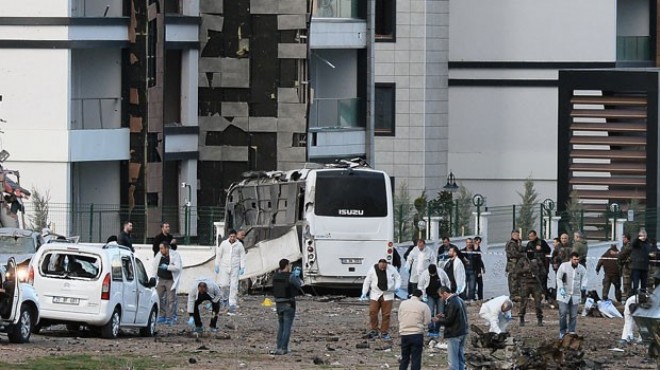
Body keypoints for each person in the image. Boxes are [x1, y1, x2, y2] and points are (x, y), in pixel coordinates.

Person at [360, 258, 401, 340]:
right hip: (375, 293)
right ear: (378, 265)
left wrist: (397, 286)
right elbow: (367, 280)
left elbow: (398, 277)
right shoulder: (372, 269)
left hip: (388, 294)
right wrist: (364, 292)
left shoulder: (391, 269)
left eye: (384, 267)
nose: (382, 269)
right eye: (381, 267)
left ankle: (384, 332)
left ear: (386, 265)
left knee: (386, 314)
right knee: (373, 312)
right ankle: (374, 330)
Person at [271, 258, 303, 355]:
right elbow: (299, 285)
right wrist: (297, 277)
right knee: (287, 327)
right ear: (286, 265)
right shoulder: (290, 276)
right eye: (289, 265)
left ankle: (278, 347)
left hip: (278, 303)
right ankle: (284, 348)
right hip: (288, 303)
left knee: (281, 326)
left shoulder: (275, 276)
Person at [434, 286, 468, 370]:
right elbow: (455, 315)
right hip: (463, 331)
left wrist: (438, 320)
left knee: (453, 360)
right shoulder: (459, 300)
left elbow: (449, 321)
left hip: (454, 333)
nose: (441, 298)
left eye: (441, 296)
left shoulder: (452, 302)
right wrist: (444, 315)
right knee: (460, 357)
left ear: (445, 293)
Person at [214, 229, 246, 315]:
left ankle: (232, 305)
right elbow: (219, 255)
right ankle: (225, 300)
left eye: (234, 236)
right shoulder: (224, 244)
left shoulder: (239, 245)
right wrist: (217, 265)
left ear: (236, 236)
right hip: (224, 267)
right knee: (224, 285)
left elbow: (242, 256)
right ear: (229, 236)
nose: (232, 238)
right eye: (231, 236)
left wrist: (242, 267)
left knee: (233, 286)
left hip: (235, 268)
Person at [397, 289, 431, 370]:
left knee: (405, 358)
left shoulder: (403, 303)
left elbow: (399, 318)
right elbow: (427, 321)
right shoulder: (424, 306)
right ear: (421, 296)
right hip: (417, 334)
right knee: (416, 358)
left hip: (404, 334)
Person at [556, 252, 588, 338]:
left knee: (573, 315)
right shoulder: (564, 266)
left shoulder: (581, 268)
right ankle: (562, 331)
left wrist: (584, 286)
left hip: (575, 294)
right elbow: (558, 277)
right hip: (564, 294)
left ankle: (571, 331)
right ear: (571, 259)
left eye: (578, 259)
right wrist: (561, 288)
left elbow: (585, 277)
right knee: (563, 313)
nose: (576, 261)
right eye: (574, 259)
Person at [152, 242, 182, 324]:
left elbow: (177, 267)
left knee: (170, 300)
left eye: (162, 248)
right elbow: (154, 266)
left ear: (166, 248)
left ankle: (169, 317)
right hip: (161, 279)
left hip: (170, 280)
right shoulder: (159, 255)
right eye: (160, 248)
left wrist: (167, 267)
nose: (160, 250)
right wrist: (153, 277)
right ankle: (162, 314)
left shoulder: (175, 255)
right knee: (157, 297)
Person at [417, 264, 450, 337]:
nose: (432, 275)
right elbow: (420, 286)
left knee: (440, 312)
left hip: (440, 296)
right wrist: (423, 295)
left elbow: (447, 282)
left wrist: (447, 294)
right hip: (430, 295)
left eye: (433, 274)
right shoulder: (424, 274)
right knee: (430, 312)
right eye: (431, 274)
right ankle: (431, 329)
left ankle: (437, 330)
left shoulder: (441, 272)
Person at [516, 250, 545, 326]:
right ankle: (522, 318)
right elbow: (517, 271)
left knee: (538, 302)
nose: (530, 251)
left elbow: (543, 272)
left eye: (531, 250)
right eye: (528, 250)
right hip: (525, 283)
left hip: (536, 283)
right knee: (523, 302)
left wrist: (537, 273)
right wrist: (525, 270)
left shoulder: (537, 260)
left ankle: (539, 319)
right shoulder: (522, 260)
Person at [526, 230, 551, 301]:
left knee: (543, 282)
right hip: (533, 267)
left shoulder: (541, 242)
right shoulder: (529, 244)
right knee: (534, 282)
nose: (531, 238)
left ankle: (544, 297)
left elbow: (548, 250)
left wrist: (541, 249)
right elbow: (527, 253)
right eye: (529, 236)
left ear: (535, 235)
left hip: (542, 266)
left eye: (532, 236)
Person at [630, 230, 652, 295]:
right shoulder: (636, 243)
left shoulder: (648, 244)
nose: (644, 237)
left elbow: (648, 252)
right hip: (636, 267)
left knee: (644, 285)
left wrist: (651, 255)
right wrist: (638, 238)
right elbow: (633, 243)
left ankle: (643, 298)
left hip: (644, 267)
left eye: (645, 236)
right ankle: (634, 297)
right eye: (642, 236)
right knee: (635, 285)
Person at [505, 230, 522, 299]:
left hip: (516, 264)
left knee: (518, 279)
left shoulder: (516, 243)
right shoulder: (511, 244)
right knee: (513, 279)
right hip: (513, 265)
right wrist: (523, 255)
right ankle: (514, 295)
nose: (518, 237)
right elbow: (514, 254)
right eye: (517, 235)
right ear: (513, 235)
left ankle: (517, 294)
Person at [618, 233, 633, 299]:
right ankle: (627, 296)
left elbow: (622, 254)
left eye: (624, 238)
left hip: (628, 267)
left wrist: (618, 255)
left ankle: (628, 297)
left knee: (627, 283)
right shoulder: (624, 246)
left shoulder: (629, 246)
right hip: (625, 266)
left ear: (627, 238)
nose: (623, 239)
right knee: (626, 284)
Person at [473, 236, 486, 301]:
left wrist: (482, 267)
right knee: (473, 284)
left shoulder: (478, 248)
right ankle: (473, 297)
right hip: (473, 269)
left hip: (478, 269)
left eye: (479, 242)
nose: (478, 243)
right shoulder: (471, 249)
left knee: (480, 284)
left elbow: (479, 259)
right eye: (477, 242)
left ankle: (480, 297)